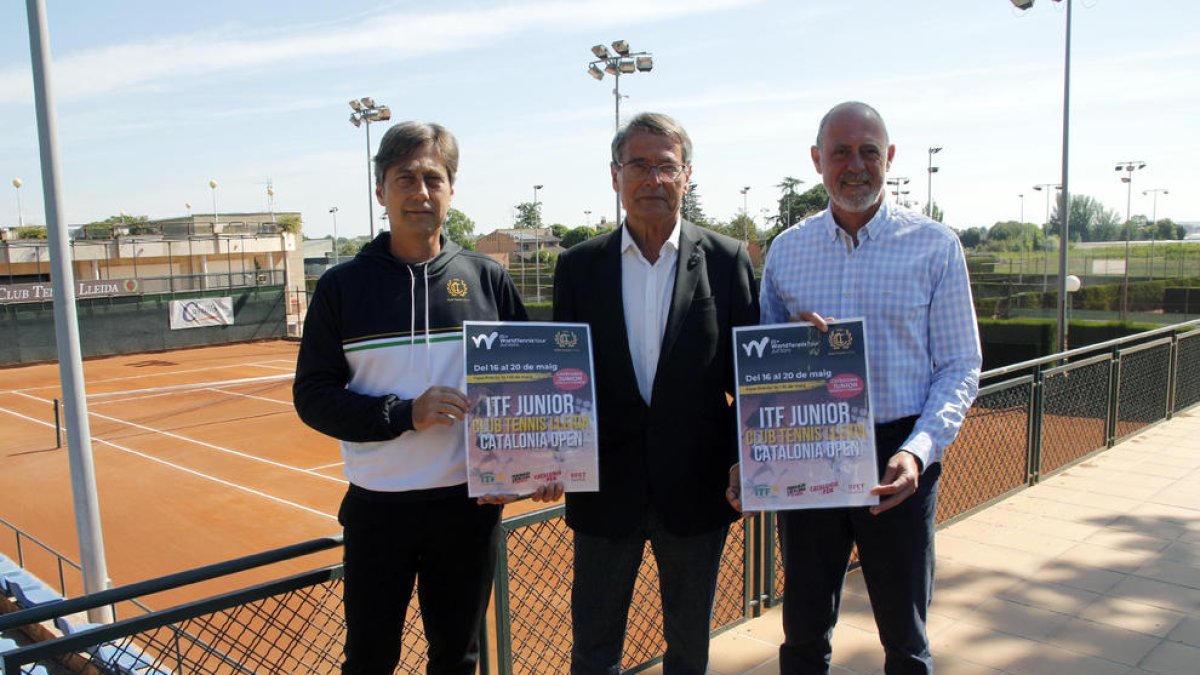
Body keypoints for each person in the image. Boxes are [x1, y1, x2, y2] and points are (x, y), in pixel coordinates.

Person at [731, 101, 981, 674]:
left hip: (896, 457)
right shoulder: (787, 250)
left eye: (869, 151)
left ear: (889, 157)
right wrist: (784, 344)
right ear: (817, 160)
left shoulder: (935, 246)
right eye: (840, 151)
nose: (855, 165)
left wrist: (918, 452)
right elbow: (759, 374)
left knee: (905, 639)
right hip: (808, 450)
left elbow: (961, 364)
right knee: (802, 635)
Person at [294, 121, 552, 675]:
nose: (421, 192)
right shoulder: (342, 287)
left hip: (467, 508)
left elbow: (528, 384)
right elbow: (312, 397)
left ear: (452, 190)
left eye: (433, 178)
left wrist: (533, 465)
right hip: (376, 507)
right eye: (405, 177)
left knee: (458, 658)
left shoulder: (487, 278)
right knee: (369, 658)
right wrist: (402, 413)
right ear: (380, 190)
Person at [553, 112, 759, 674]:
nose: (652, 179)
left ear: (686, 175)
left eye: (665, 166)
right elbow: (559, 381)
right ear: (615, 174)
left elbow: (750, 381)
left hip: (696, 493)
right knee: (593, 652)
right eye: (638, 165)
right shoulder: (577, 266)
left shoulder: (726, 259)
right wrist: (541, 457)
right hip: (603, 491)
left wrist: (745, 459)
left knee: (689, 650)